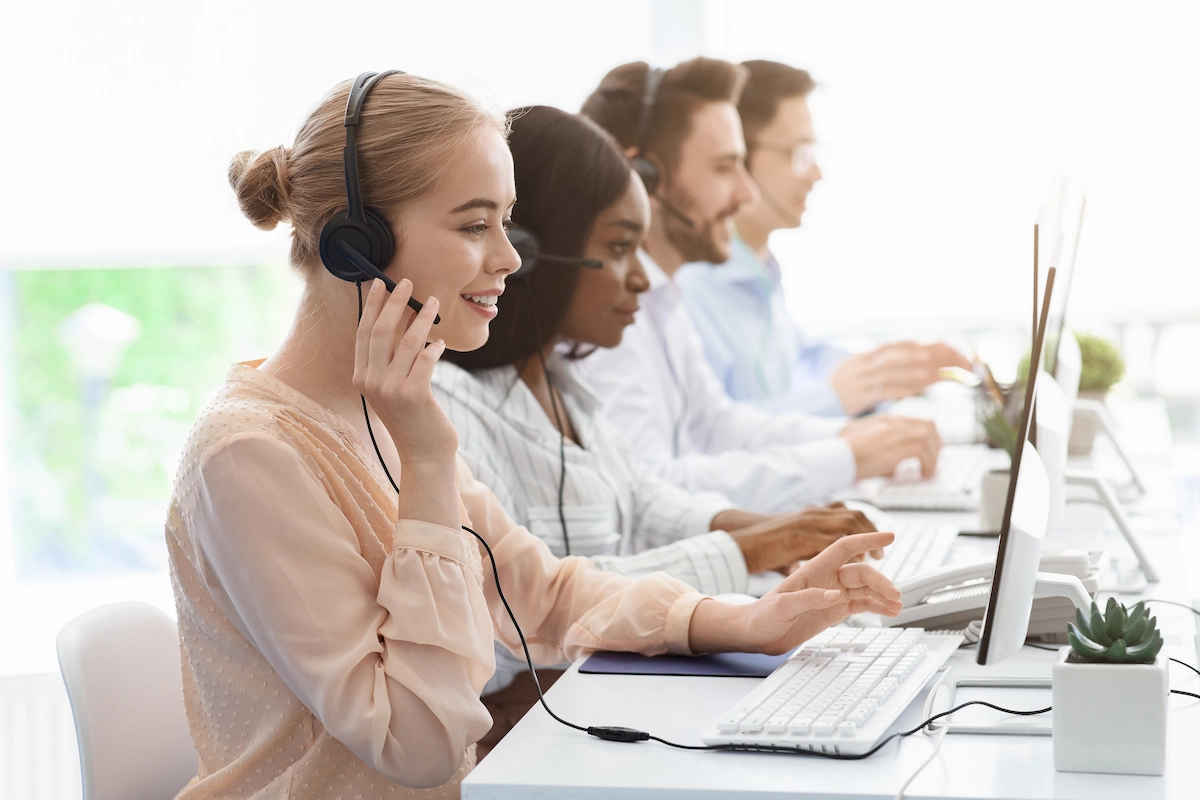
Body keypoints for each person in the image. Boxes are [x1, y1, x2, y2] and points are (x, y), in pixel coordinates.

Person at [167, 72, 902, 798]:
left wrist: (750, 622)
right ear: (356, 243)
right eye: (472, 225)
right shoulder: (251, 455)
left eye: (506, 222)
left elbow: (543, 595)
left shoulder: (382, 410)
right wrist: (427, 458)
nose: (512, 259)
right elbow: (418, 744)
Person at [433, 106, 882, 749]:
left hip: (586, 712)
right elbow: (510, 627)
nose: (642, 277)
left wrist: (771, 532)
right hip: (534, 743)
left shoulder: (561, 383)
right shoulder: (451, 411)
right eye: (619, 249)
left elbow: (641, 497)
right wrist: (747, 552)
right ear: (538, 254)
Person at [578, 58, 943, 514]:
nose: (746, 193)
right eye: (725, 167)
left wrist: (852, 439)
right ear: (643, 179)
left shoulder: (664, 298)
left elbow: (719, 426)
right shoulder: (607, 315)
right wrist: (846, 456)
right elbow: (650, 488)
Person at [676, 60, 971, 416]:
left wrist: (889, 366)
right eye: (799, 154)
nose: (815, 173)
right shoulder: (688, 291)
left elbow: (804, 357)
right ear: (740, 154)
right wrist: (834, 399)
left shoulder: (761, 273)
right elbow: (718, 437)